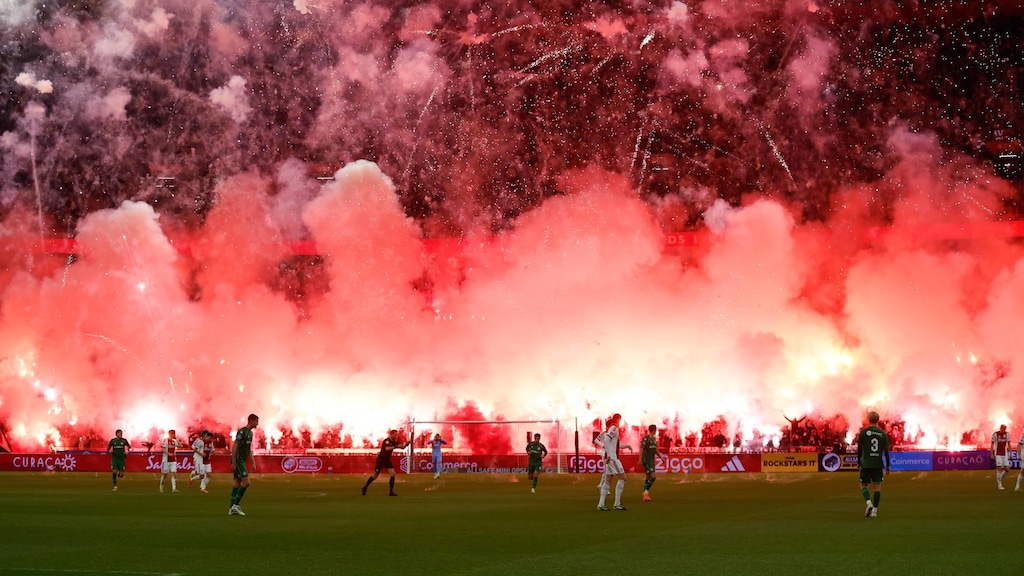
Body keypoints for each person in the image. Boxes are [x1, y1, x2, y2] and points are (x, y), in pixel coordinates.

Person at [594, 413, 632, 511]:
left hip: (610, 458)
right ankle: (617, 503)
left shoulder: (613, 429)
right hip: (613, 458)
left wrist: (627, 446)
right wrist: (609, 455)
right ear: (618, 420)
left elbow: (613, 444)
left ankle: (601, 504)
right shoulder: (614, 428)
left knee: (608, 481)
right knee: (623, 478)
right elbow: (606, 440)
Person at [856, 411, 890, 518]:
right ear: (878, 420)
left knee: (863, 485)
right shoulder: (882, 434)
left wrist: (858, 462)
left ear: (868, 420)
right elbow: (886, 451)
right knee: (877, 487)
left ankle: (868, 503)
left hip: (866, 463)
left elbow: (859, 449)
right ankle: (875, 511)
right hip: (878, 463)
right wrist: (888, 465)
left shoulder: (863, 432)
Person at [362, 429, 410, 496]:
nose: (396, 436)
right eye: (395, 435)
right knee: (375, 476)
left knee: (393, 474)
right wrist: (395, 446)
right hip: (381, 460)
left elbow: (402, 447)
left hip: (387, 460)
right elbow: (386, 448)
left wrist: (406, 444)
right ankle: (365, 487)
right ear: (391, 434)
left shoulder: (394, 442)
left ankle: (391, 492)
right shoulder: (386, 441)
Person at [229, 414, 259, 516]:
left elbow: (248, 450)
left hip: (242, 460)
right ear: (251, 420)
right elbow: (235, 447)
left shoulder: (250, 433)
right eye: (256, 421)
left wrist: (253, 463)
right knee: (246, 483)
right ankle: (235, 505)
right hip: (238, 460)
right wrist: (233, 462)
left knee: (237, 484)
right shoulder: (242, 432)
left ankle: (231, 508)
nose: (257, 424)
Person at [639, 424, 666, 502]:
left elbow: (655, 450)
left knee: (648, 477)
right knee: (653, 477)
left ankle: (645, 496)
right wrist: (640, 459)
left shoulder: (654, 439)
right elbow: (641, 448)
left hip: (651, 460)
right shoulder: (646, 439)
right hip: (646, 460)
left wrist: (661, 457)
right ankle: (646, 492)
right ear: (654, 430)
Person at [992, 424, 1012, 490]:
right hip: (998, 454)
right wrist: (991, 453)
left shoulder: (1007, 434)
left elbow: (1009, 444)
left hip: (1005, 453)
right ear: (1000, 428)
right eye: (1002, 428)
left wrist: (1011, 453)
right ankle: (999, 484)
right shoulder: (995, 434)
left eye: (1004, 429)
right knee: (999, 468)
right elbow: (992, 444)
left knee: (1007, 469)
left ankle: (999, 479)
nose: (1003, 430)